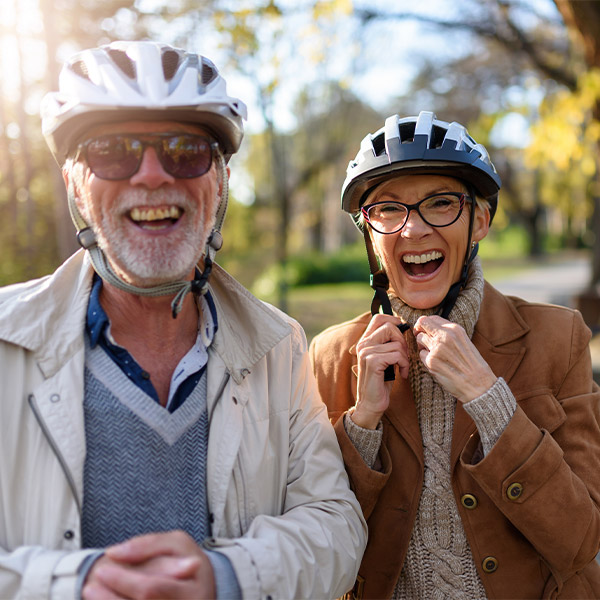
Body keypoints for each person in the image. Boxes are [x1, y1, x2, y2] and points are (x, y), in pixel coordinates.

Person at [0, 40, 366, 599]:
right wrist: (68, 585)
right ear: (76, 183)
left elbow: (336, 525)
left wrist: (229, 577)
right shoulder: (6, 342)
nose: (151, 176)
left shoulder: (278, 345)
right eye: (112, 150)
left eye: (184, 149)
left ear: (218, 181)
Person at [310, 111, 600, 599]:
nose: (414, 230)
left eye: (441, 204)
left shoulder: (559, 336)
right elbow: (317, 547)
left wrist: (490, 400)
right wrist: (362, 423)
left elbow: (580, 541)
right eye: (387, 209)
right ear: (368, 232)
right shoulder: (331, 356)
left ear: (480, 220)